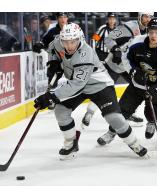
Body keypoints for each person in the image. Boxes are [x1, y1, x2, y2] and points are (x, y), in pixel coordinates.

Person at [33, 23, 147, 159]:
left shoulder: (85, 54)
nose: (69, 46)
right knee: (61, 111)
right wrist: (53, 62)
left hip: (99, 85)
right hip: (77, 83)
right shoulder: (58, 42)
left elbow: (77, 84)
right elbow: (52, 48)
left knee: (114, 118)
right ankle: (71, 144)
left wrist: (52, 96)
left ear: (80, 39)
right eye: (66, 42)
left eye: (73, 42)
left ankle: (134, 144)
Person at [97, 18, 157, 145]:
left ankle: (151, 121)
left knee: (151, 113)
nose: (153, 35)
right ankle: (111, 132)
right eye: (151, 32)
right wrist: (133, 71)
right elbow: (125, 57)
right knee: (121, 112)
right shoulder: (137, 41)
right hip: (138, 84)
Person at [82, 13, 154, 129]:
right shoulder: (128, 27)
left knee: (137, 88)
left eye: (150, 17)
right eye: (145, 16)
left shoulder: (151, 32)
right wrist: (115, 49)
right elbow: (106, 38)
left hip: (128, 66)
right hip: (113, 63)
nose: (148, 20)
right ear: (140, 16)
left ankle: (129, 111)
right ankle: (89, 113)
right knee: (103, 88)